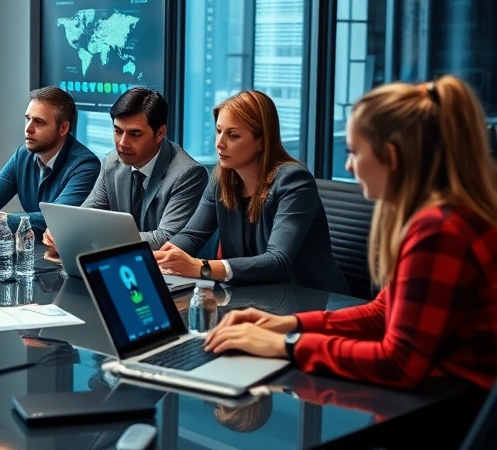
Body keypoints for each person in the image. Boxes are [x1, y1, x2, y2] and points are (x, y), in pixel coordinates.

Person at [204, 76, 497, 391]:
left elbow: (399, 363)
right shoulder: (442, 217)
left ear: (392, 156)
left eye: (354, 152)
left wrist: (287, 345)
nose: (348, 165)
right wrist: (289, 324)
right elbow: (382, 311)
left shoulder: (439, 232)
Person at [154, 90, 349, 293]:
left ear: (262, 141)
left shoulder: (294, 182)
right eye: (219, 131)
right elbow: (193, 235)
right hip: (254, 295)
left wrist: (201, 267)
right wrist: (161, 258)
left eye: (233, 135)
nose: (219, 143)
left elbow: (278, 261)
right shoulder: (222, 178)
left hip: (308, 298)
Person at [44, 87, 207, 250]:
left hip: (167, 270)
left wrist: (97, 238)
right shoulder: (112, 162)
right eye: (117, 131)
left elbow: (166, 239)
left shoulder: (187, 174)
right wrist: (65, 233)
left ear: (160, 133)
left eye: (134, 134)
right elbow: (87, 217)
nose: (122, 143)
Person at [0, 87, 99, 237]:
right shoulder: (22, 155)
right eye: (28, 119)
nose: (28, 129)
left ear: (63, 128)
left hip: (61, 253)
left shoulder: (86, 165)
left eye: (39, 122)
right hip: (31, 247)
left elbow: (55, 219)